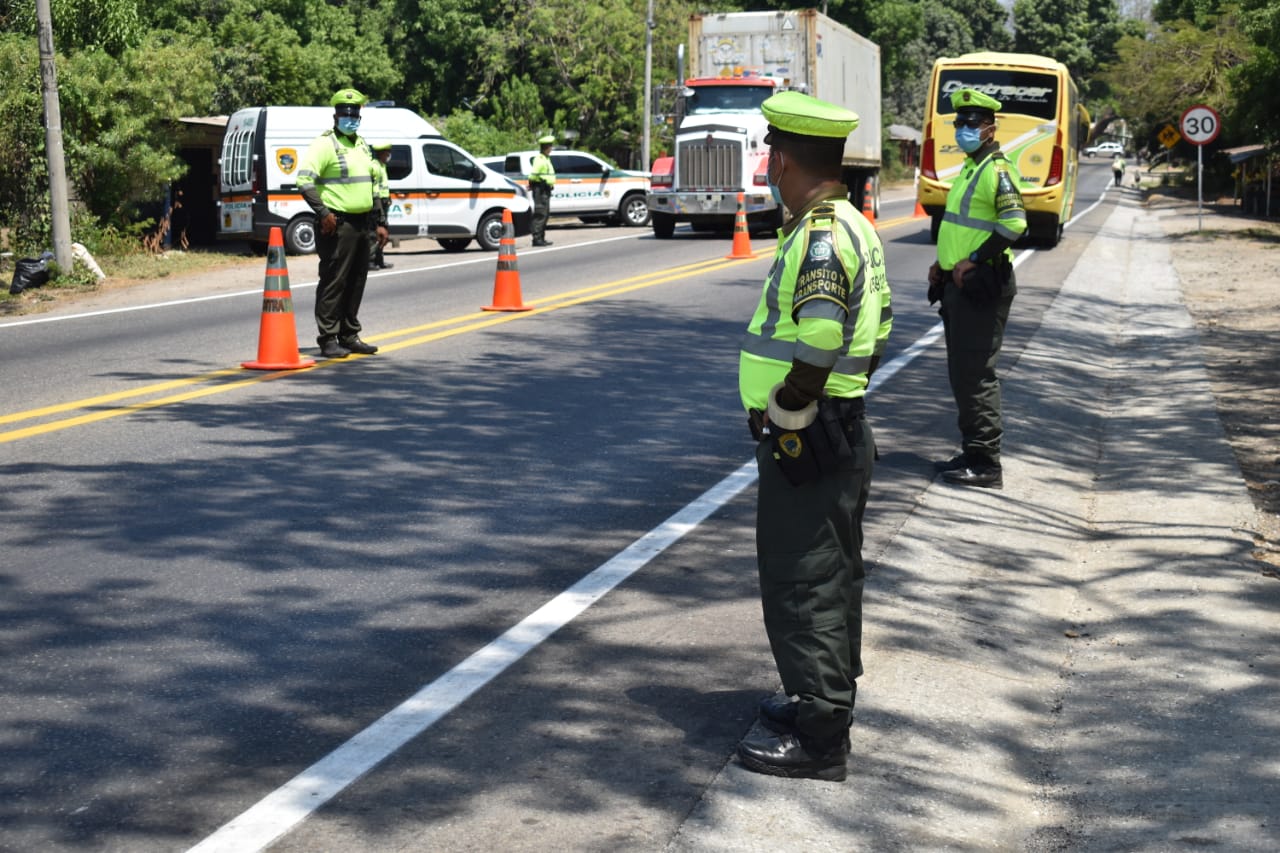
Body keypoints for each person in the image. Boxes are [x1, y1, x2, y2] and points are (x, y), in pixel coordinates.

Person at [736, 91, 893, 782]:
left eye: (772, 153)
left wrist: (782, 409)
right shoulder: (848, 224)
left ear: (784, 158)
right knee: (830, 570)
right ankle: (818, 695)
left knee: (805, 579)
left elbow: (824, 334)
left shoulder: (822, 235)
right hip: (839, 429)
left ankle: (821, 731)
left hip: (811, 433)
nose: (769, 165)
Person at [927, 88, 1026, 489]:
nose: (963, 129)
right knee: (962, 374)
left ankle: (986, 462)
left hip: (980, 285)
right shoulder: (971, 167)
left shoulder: (996, 170)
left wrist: (976, 259)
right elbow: (960, 226)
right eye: (958, 122)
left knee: (975, 375)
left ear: (990, 128)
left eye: (971, 123)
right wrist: (944, 263)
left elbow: (1014, 223)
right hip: (958, 284)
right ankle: (973, 449)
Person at [297, 87, 387, 358]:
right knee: (334, 280)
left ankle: (349, 334)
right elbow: (303, 181)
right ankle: (327, 338)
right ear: (335, 115)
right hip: (337, 224)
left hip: (362, 224)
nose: (351, 118)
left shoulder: (360, 144)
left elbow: (372, 183)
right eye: (346, 113)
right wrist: (323, 213)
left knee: (357, 280)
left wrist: (380, 222)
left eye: (355, 113)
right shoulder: (325, 144)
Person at [368, 142, 393, 270]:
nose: (389, 155)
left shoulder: (382, 166)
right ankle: (370, 261)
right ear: (380, 153)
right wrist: (379, 208)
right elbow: (375, 189)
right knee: (374, 233)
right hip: (377, 204)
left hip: (383, 202)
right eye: (386, 152)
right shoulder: (375, 166)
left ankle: (379, 259)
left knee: (384, 232)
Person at [528, 134, 556, 246]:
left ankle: (541, 237)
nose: (551, 148)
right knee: (540, 213)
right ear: (546, 147)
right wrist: (540, 182)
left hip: (545, 189)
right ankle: (536, 239)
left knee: (545, 214)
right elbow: (532, 176)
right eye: (550, 146)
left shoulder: (546, 158)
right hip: (540, 189)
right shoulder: (539, 159)